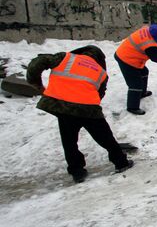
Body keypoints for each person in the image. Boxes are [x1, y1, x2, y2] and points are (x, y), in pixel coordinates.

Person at [26, 45, 134, 183]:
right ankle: (121, 163)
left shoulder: (65, 58)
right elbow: (100, 93)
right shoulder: (101, 72)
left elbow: (38, 61)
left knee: (69, 140)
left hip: (62, 106)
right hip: (88, 108)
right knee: (105, 137)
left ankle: (77, 171)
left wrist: (35, 82)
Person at [114, 24, 157, 115]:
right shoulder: (150, 45)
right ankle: (132, 107)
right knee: (135, 85)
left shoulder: (150, 30)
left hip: (128, 53)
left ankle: (142, 93)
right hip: (126, 60)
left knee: (144, 71)